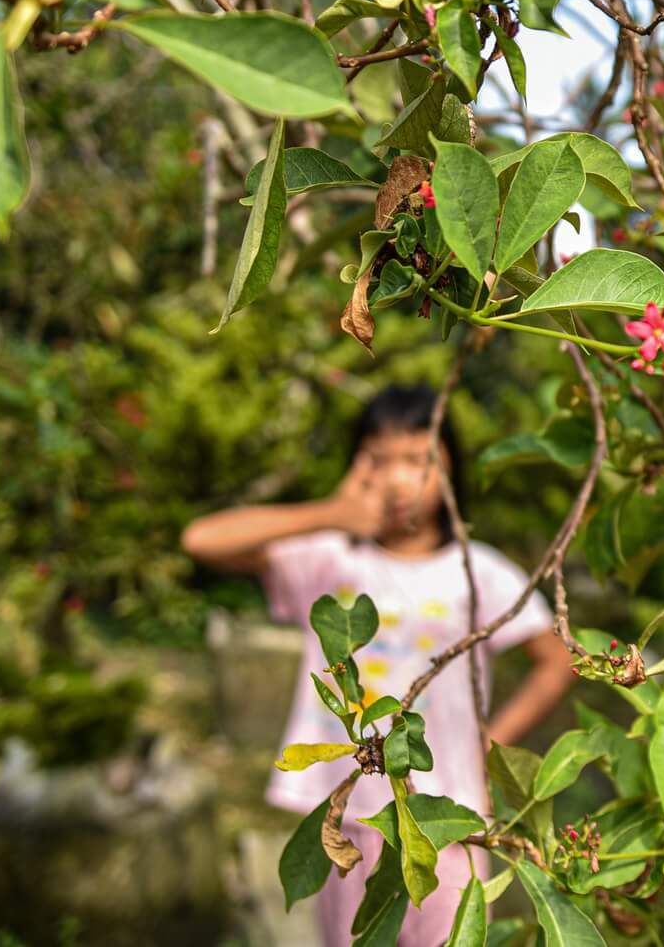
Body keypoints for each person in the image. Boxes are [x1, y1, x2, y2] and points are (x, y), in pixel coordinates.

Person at [182, 385, 574, 946]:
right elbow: (202, 539)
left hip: (444, 813)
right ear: (354, 468)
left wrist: (489, 744)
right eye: (378, 459)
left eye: (418, 460)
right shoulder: (331, 559)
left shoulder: (478, 570)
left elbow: (555, 663)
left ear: (450, 470)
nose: (397, 479)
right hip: (341, 812)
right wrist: (332, 514)